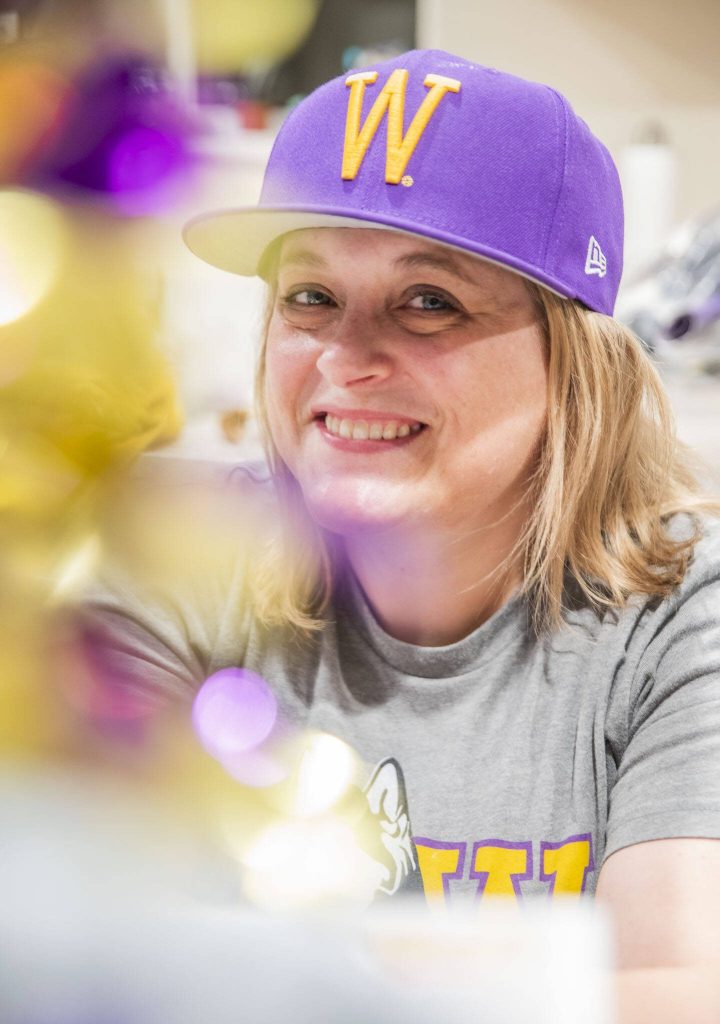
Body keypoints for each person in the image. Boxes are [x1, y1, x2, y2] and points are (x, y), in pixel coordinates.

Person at [85, 50, 720, 1022]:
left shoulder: (681, 616)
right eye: (310, 296)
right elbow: (94, 947)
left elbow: (682, 990)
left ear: (574, 356)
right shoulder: (180, 561)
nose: (346, 357)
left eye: (430, 301)